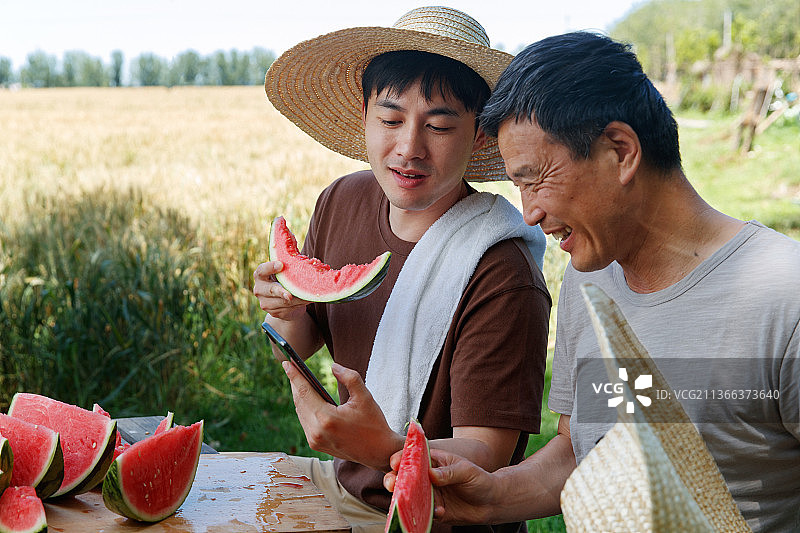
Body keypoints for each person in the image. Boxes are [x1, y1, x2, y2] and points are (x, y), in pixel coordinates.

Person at [384, 31, 800, 532]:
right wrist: (493, 495)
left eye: (535, 179)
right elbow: (582, 449)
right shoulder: (592, 280)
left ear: (620, 151)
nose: (530, 213)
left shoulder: (784, 298)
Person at [253, 6, 551, 533]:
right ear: (363, 117)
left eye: (438, 126)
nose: (409, 148)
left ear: (480, 135)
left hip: (443, 517)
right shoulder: (341, 200)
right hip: (343, 487)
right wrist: (285, 306)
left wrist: (383, 448)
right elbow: (298, 340)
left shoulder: (503, 272)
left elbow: (487, 450)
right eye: (390, 121)